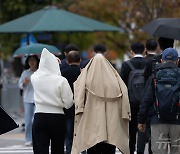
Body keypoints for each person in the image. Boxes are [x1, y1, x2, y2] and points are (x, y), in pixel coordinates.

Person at [71, 44, 131, 154]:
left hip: (91, 122)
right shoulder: (115, 80)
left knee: (93, 146)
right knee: (109, 147)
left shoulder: (86, 79)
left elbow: (78, 95)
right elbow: (125, 95)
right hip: (111, 124)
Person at [31, 48, 74, 154]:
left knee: (40, 149)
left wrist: (48, 59)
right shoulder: (61, 80)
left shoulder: (35, 78)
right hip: (57, 116)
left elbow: (38, 71)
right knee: (58, 148)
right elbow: (69, 103)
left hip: (39, 116)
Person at [138, 48, 180, 154]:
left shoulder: (154, 76)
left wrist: (141, 120)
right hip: (178, 121)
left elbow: (146, 100)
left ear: (161, 60)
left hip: (157, 120)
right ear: (177, 61)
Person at [120, 42, 146, 154]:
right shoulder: (148, 63)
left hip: (130, 102)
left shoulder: (126, 64)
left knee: (131, 129)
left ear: (132, 51)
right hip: (145, 102)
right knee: (143, 128)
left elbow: (122, 84)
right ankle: (141, 150)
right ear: (144, 51)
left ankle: (130, 150)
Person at [61, 50, 81, 154]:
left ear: (67, 61)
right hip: (82, 107)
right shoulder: (83, 72)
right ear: (80, 60)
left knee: (69, 133)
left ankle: (69, 151)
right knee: (82, 132)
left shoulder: (63, 73)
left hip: (67, 107)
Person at [18, 55, 39, 146]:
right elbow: (19, 85)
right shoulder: (25, 73)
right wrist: (24, 83)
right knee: (28, 121)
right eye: (30, 60)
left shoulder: (40, 72)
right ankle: (28, 138)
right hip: (28, 100)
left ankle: (36, 138)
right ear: (28, 62)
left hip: (38, 99)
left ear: (37, 61)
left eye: (33, 60)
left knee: (35, 120)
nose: (32, 62)